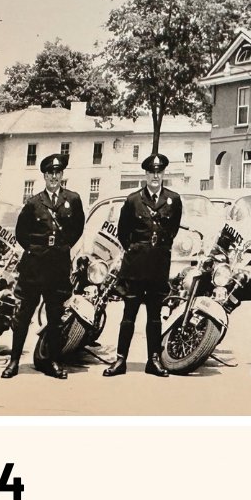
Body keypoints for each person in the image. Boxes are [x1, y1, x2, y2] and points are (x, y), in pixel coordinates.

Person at [3, 153, 85, 379]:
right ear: (44, 175)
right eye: (50, 173)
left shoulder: (73, 199)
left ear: (62, 175)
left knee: (55, 317)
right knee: (23, 316)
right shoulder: (33, 202)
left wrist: (62, 246)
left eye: (57, 173)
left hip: (58, 267)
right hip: (34, 267)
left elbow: (77, 228)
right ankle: (14, 361)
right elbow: (21, 233)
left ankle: (54, 361)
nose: (54, 177)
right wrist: (37, 250)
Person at [103, 153, 183, 378]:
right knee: (129, 315)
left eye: (159, 172)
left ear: (163, 174)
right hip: (136, 267)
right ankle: (120, 360)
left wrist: (157, 249)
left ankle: (153, 360)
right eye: (151, 172)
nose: (155, 176)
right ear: (145, 174)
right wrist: (138, 249)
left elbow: (172, 231)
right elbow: (123, 232)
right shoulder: (133, 200)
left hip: (158, 266)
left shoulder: (173, 200)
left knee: (155, 316)